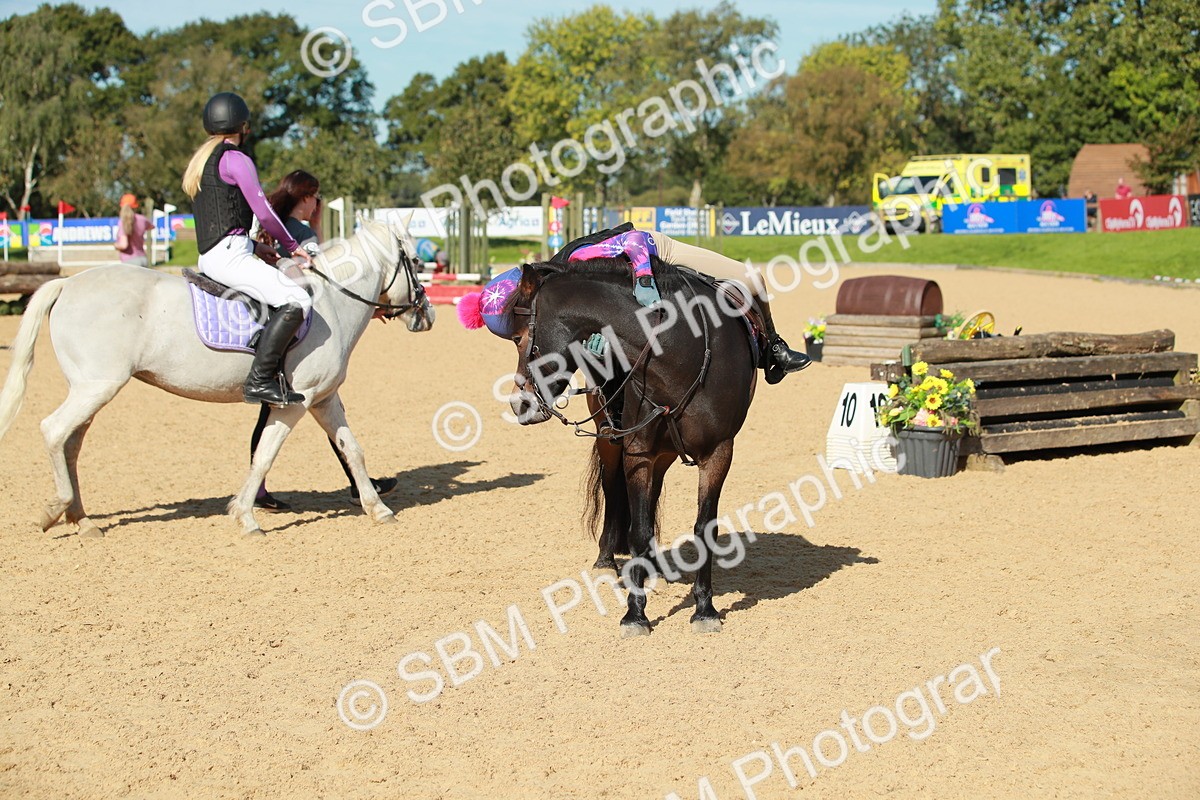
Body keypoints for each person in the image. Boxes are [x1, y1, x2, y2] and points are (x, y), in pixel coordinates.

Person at [248, 170, 397, 512]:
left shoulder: (271, 228)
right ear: (304, 197)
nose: (317, 203)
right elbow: (323, 286)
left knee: (274, 412)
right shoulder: (299, 232)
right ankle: (358, 484)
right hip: (308, 331)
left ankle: (260, 489)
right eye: (314, 197)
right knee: (329, 407)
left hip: (272, 323)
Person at [182, 91, 314, 406]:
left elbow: (221, 220)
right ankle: (259, 381)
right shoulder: (236, 159)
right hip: (230, 256)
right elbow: (264, 212)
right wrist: (292, 246)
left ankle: (261, 344)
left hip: (216, 254)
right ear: (243, 126)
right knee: (297, 299)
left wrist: (255, 246)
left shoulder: (203, 162)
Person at [555, 224, 810, 383]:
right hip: (634, 276)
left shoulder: (579, 257)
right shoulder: (570, 285)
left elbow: (635, 242)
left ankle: (775, 347)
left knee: (753, 279)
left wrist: (644, 278)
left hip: (660, 252)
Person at [114, 194, 153, 267]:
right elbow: (151, 226)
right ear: (135, 206)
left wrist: (116, 245)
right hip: (143, 259)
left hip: (130, 261)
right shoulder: (142, 219)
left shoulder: (123, 222)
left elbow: (123, 245)